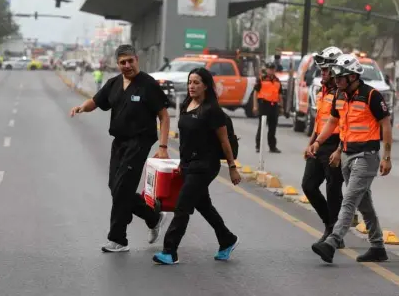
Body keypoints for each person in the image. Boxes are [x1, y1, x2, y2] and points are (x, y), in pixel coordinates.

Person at [69, 45, 172, 253]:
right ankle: (153, 217)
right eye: (122, 62)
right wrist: (82, 107)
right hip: (119, 142)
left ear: (137, 60)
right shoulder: (114, 84)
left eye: (130, 61)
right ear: (118, 64)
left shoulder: (148, 85)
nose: (127, 66)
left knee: (123, 188)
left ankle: (118, 239)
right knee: (115, 187)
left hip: (140, 142)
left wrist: (162, 147)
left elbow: (164, 116)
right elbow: (96, 101)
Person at [309, 53, 393, 263]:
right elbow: (333, 123)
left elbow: (385, 124)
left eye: (340, 77)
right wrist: (318, 142)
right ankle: (378, 247)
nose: (336, 80)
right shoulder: (340, 95)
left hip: (367, 157)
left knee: (348, 201)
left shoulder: (371, 95)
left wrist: (387, 156)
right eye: (335, 76)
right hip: (347, 155)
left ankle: (332, 242)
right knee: (364, 204)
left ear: (353, 77)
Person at [153, 68, 241, 265]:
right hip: (188, 164)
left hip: (205, 165)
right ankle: (227, 239)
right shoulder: (186, 104)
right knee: (204, 206)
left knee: (182, 206)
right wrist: (179, 163)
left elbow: (225, 142)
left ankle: (170, 251)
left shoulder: (213, 111)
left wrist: (232, 167)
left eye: (196, 83)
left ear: (206, 86)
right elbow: (186, 139)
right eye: (190, 82)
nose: (191, 86)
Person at [301, 47, 345, 247]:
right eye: (322, 70)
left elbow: (344, 124)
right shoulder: (322, 90)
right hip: (319, 142)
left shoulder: (342, 94)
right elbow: (319, 120)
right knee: (308, 185)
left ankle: (334, 233)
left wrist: (339, 150)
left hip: (335, 144)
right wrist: (311, 143)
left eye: (326, 70)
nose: (323, 73)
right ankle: (331, 225)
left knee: (333, 189)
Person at [253, 62, 283, 153]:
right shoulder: (261, 79)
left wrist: (281, 106)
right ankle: (258, 146)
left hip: (274, 106)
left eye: (273, 69)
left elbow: (280, 94)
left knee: (273, 127)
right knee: (261, 126)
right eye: (270, 69)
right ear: (266, 69)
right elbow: (255, 92)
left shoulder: (277, 80)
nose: (271, 71)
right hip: (264, 105)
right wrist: (255, 106)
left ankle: (272, 147)